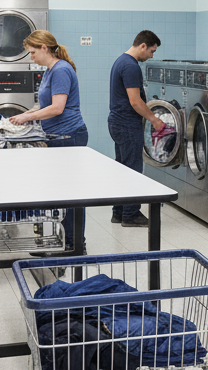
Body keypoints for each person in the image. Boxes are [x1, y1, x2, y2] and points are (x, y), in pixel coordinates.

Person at [10, 30, 88, 253]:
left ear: (44, 48)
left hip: (69, 136)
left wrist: (27, 118)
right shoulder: (49, 71)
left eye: (33, 52)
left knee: (71, 194)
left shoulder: (61, 70)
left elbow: (57, 108)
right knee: (60, 192)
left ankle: (74, 244)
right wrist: (24, 115)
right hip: (57, 136)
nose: (31, 57)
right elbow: (44, 105)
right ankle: (62, 241)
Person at [107, 30, 164, 227]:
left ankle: (119, 212)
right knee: (132, 169)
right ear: (143, 46)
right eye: (151, 51)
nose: (151, 56)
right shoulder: (131, 66)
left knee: (122, 168)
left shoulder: (120, 61)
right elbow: (135, 101)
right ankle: (130, 214)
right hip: (127, 124)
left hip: (117, 122)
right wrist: (154, 120)